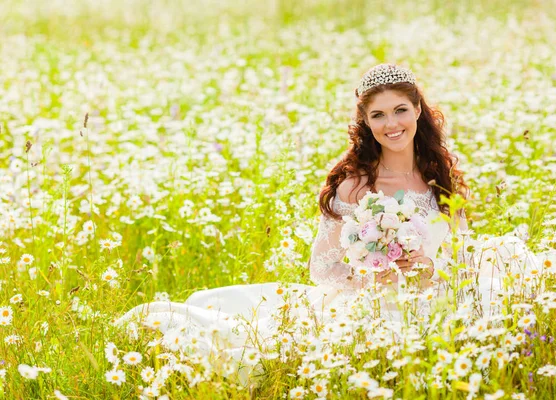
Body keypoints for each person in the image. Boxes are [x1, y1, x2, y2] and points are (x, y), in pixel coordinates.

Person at [114, 64, 527, 385]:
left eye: (400, 110)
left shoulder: (441, 178)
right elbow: (323, 270)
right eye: (378, 115)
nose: (392, 124)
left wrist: (431, 270)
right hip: (374, 305)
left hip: (435, 297)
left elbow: (461, 252)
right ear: (366, 122)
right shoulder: (353, 186)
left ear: (418, 109)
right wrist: (373, 275)